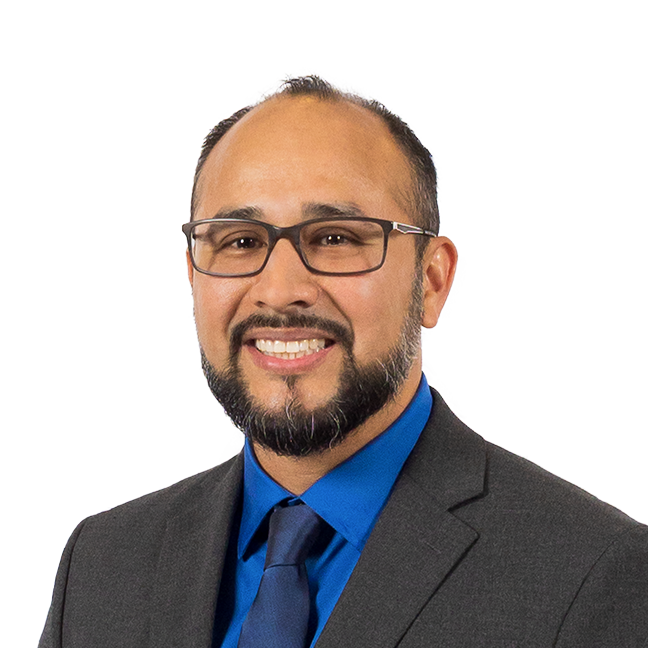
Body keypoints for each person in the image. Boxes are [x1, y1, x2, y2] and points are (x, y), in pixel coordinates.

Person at [39, 75, 648, 648]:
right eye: (240, 241)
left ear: (431, 282)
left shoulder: (596, 575)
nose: (280, 291)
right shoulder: (102, 565)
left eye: (335, 238)